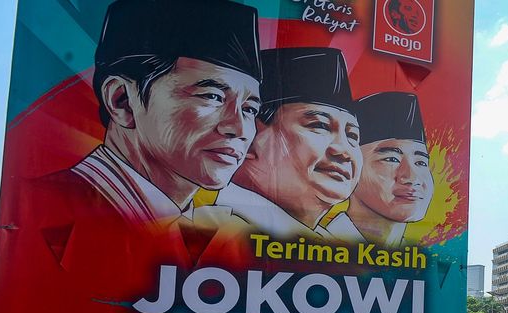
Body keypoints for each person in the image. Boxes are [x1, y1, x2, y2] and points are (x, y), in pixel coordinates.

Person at [53, 0, 262, 227]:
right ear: (122, 100)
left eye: (249, 109)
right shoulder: (38, 210)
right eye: (211, 96)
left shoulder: (221, 239)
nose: (239, 129)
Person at [219, 47, 365, 241]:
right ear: (251, 136)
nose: (344, 150)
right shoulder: (207, 231)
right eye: (320, 125)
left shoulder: (340, 248)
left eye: (353, 136)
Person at [342, 92, 434, 247]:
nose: (412, 178)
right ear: (350, 166)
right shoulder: (315, 247)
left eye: (421, 162)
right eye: (391, 159)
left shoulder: (418, 262)